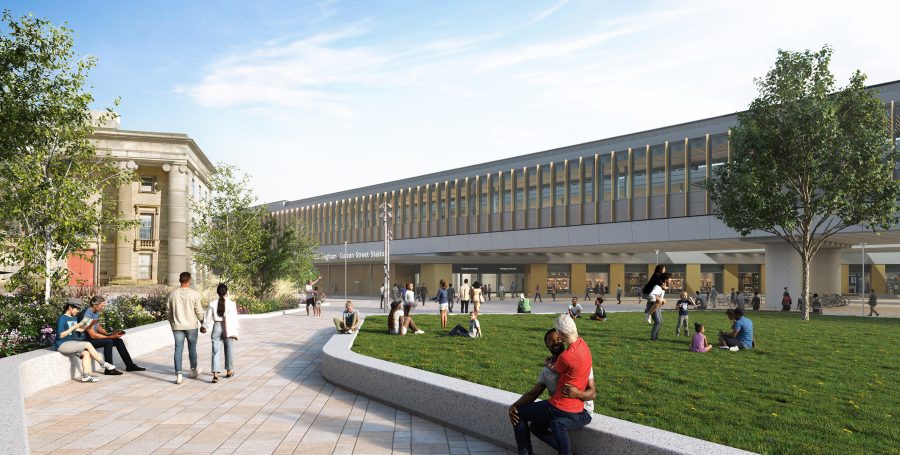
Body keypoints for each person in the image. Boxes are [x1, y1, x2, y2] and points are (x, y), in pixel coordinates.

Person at [511, 314, 592, 455]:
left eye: (557, 338)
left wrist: (577, 393)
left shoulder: (576, 359)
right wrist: (515, 405)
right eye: (551, 341)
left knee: (522, 415)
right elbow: (534, 393)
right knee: (536, 427)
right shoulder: (547, 371)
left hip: (582, 411)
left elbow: (593, 393)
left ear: (562, 338)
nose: (555, 342)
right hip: (560, 408)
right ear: (546, 346)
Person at [55, 301, 120, 382]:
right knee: (87, 344)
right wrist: (74, 326)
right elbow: (61, 335)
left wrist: (85, 326)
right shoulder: (62, 318)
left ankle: (86, 376)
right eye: (76, 309)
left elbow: (78, 331)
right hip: (63, 344)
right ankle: (103, 363)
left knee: (86, 353)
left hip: (73, 343)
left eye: (79, 309)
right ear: (70, 308)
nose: (78, 311)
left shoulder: (75, 317)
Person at [81, 296, 146, 374]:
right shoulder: (87, 315)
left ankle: (130, 366)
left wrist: (108, 334)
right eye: (102, 306)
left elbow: (97, 326)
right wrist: (110, 337)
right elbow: (92, 335)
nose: (103, 308)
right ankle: (109, 369)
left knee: (118, 341)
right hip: (84, 340)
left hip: (91, 338)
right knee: (108, 341)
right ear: (95, 305)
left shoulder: (95, 311)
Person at [167, 271, 204, 384]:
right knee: (192, 348)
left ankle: (179, 374)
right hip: (191, 325)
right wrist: (202, 321)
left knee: (178, 349)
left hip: (177, 325)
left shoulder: (172, 294)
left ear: (180, 280)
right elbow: (198, 310)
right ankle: (193, 370)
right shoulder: (194, 294)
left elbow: (168, 311)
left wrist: (172, 322)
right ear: (189, 280)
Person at [202, 283, 240, 383]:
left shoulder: (212, 304)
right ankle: (229, 371)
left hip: (216, 327)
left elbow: (207, 320)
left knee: (215, 351)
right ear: (226, 292)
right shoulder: (232, 304)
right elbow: (235, 319)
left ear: (217, 292)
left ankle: (215, 375)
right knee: (229, 350)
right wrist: (235, 332)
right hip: (228, 328)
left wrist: (204, 327)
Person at [648, 273, 670, 341]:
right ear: (665, 280)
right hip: (653, 305)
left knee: (660, 321)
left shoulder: (662, 287)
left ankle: (655, 337)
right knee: (658, 322)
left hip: (657, 306)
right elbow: (651, 295)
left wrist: (662, 300)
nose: (671, 281)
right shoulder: (658, 287)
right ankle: (653, 338)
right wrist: (660, 299)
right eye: (670, 279)